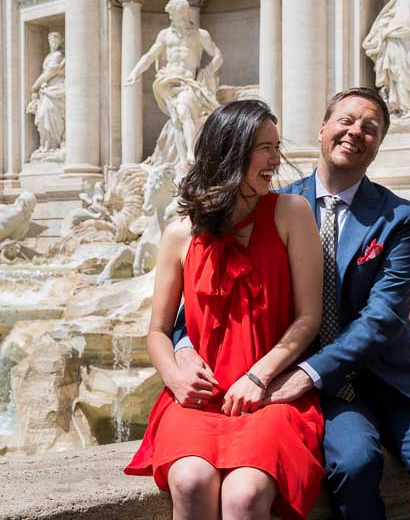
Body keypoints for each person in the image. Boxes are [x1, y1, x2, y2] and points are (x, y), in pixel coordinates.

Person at [172, 88, 410, 519]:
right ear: (322, 129)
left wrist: (305, 374)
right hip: (331, 394)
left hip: (396, 383)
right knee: (353, 469)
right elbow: (208, 294)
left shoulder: (401, 217)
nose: (356, 132)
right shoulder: (267, 206)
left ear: (379, 144)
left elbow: (384, 317)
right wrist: (183, 345)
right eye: (346, 120)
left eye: (370, 128)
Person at [126, 100, 326, 519]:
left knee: (245, 496)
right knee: (190, 481)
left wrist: (260, 375)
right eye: (263, 148)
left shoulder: (293, 213)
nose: (276, 160)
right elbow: (158, 331)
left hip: (269, 394)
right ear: (230, 152)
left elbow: (309, 318)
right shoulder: (180, 233)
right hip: (199, 396)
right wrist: (175, 376)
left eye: (275, 146)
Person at [125, 0, 222, 172]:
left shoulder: (200, 34)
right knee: (177, 118)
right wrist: (135, 73)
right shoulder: (165, 35)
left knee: (183, 109)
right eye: (177, 15)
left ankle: (192, 154)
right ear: (171, 15)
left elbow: (218, 56)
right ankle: (183, 160)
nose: (181, 18)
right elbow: (149, 56)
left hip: (188, 81)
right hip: (167, 81)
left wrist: (207, 72)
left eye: (183, 14)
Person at [26, 31, 66, 162]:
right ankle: (45, 145)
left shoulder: (58, 55)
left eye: (56, 38)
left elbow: (50, 72)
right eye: (50, 39)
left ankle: (53, 145)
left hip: (56, 88)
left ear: (61, 41)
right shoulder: (48, 56)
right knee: (42, 116)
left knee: (48, 113)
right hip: (46, 90)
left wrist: (35, 86)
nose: (53, 41)